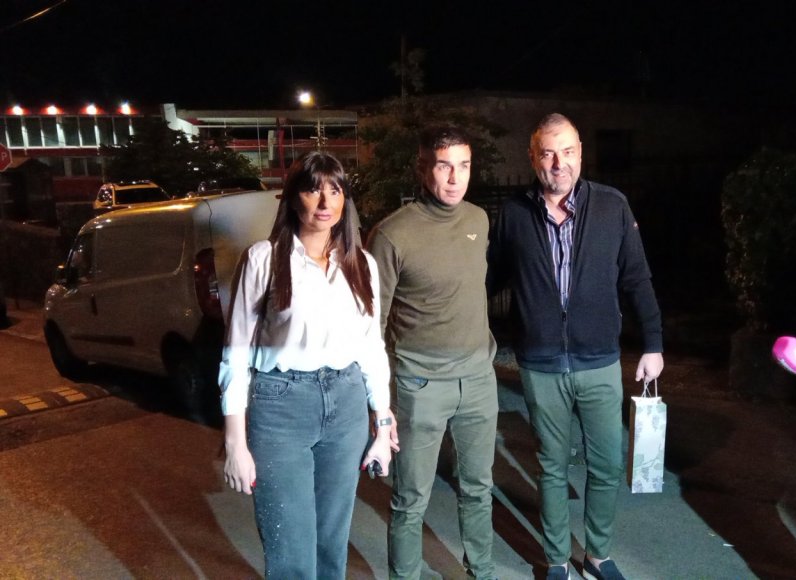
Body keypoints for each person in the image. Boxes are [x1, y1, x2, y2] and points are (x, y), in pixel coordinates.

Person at [488, 113, 664, 580]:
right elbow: (489, 279)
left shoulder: (612, 205)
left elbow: (637, 278)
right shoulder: (514, 213)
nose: (558, 163)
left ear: (581, 154)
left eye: (567, 152)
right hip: (540, 362)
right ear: (533, 157)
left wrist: (653, 343)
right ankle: (557, 560)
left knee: (606, 465)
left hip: (599, 359)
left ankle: (598, 555)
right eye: (548, 153)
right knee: (551, 466)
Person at [219, 152, 395, 579]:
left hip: (347, 404)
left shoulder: (362, 265)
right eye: (313, 189)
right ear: (293, 197)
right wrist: (235, 443)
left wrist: (383, 423)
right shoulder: (263, 259)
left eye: (335, 190)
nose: (325, 201)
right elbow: (236, 353)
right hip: (280, 408)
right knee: (291, 552)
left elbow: (371, 346)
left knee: (331, 545)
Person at [367, 126, 498, 580]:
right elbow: (372, 325)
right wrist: (379, 403)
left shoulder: (479, 220)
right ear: (423, 168)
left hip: (479, 380)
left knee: (479, 489)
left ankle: (482, 571)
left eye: (464, 166)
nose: (455, 177)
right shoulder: (391, 235)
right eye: (444, 166)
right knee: (410, 499)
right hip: (419, 385)